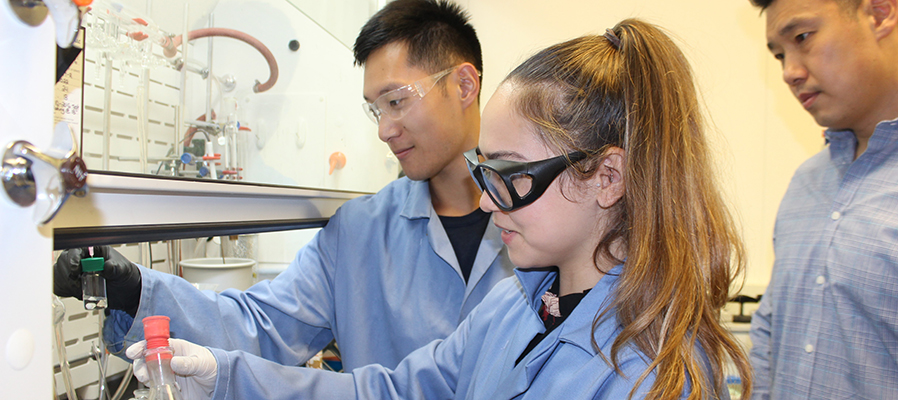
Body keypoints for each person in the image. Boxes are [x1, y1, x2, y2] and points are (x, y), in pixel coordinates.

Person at [127, 18, 754, 400]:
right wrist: (225, 377)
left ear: (607, 176)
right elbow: (394, 390)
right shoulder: (519, 306)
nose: (487, 198)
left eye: (509, 175)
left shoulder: (654, 371)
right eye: (487, 172)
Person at [52, 0, 514, 372]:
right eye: (375, 109)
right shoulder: (359, 232)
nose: (384, 129)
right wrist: (135, 291)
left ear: (465, 85)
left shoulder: (545, 218)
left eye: (396, 100)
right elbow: (262, 325)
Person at [747, 0, 898, 398]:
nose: (789, 72)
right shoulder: (807, 183)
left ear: (879, 13)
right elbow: (771, 332)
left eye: (802, 37)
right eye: (780, 54)